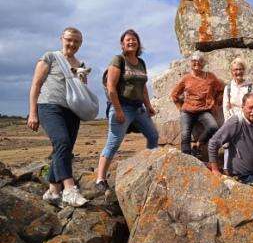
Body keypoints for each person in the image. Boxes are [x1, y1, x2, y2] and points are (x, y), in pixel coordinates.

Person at [27, 27, 88, 207]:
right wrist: (32, 113)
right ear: (62, 38)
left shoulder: (80, 64)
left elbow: (81, 89)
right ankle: (69, 190)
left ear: (80, 43)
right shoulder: (50, 57)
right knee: (62, 142)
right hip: (49, 106)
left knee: (63, 149)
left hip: (72, 110)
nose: (72, 44)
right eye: (69, 40)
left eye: (76, 41)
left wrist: (83, 79)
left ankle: (53, 192)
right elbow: (35, 85)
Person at [95, 29, 159, 192]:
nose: (131, 42)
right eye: (128, 40)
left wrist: (148, 106)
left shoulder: (141, 62)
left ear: (138, 43)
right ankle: (100, 178)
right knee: (114, 142)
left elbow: (143, 87)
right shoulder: (118, 60)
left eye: (134, 39)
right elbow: (110, 87)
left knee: (153, 135)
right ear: (122, 44)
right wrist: (118, 110)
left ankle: (149, 166)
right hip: (121, 106)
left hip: (138, 107)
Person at [209, 93, 253, 184]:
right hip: (240, 176)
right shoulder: (235, 122)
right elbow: (213, 143)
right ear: (243, 107)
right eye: (250, 107)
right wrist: (215, 170)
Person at [171, 52, 224, 156]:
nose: (196, 63)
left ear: (203, 63)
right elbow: (174, 94)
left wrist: (216, 103)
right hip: (187, 111)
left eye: (199, 61)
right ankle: (186, 158)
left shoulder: (210, 77)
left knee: (213, 127)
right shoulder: (186, 78)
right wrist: (180, 109)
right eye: (194, 61)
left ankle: (198, 144)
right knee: (185, 135)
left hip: (204, 111)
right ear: (190, 63)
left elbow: (220, 89)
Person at [222, 57, 253, 173]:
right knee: (229, 145)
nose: (238, 72)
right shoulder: (228, 88)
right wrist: (228, 123)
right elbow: (225, 107)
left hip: (246, 119)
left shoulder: (250, 86)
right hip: (232, 119)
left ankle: (244, 172)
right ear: (232, 72)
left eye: (240, 69)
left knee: (246, 145)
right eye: (235, 70)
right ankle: (227, 170)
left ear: (244, 70)